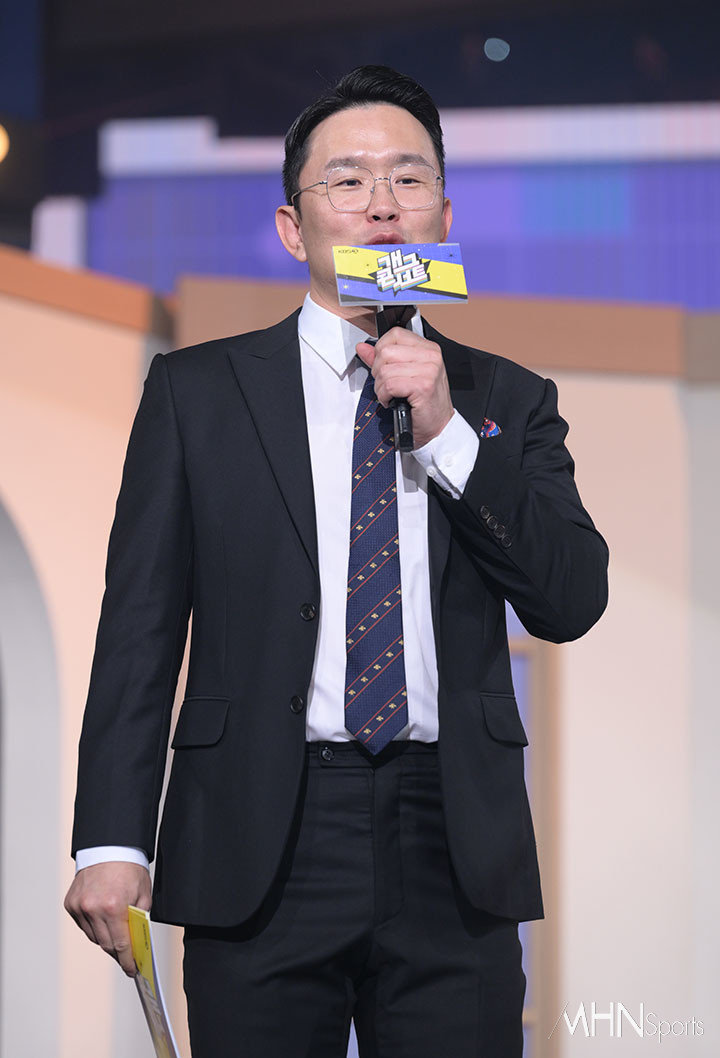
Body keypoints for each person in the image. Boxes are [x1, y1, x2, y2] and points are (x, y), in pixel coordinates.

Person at [65, 65, 608, 1057]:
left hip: (453, 839)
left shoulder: (508, 398)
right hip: (260, 833)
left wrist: (445, 429)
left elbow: (570, 596)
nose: (382, 205)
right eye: (348, 181)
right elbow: (139, 627)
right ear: (292, 226)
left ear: (445, 216)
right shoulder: (198, 392)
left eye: (409, 180)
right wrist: (110, 836)